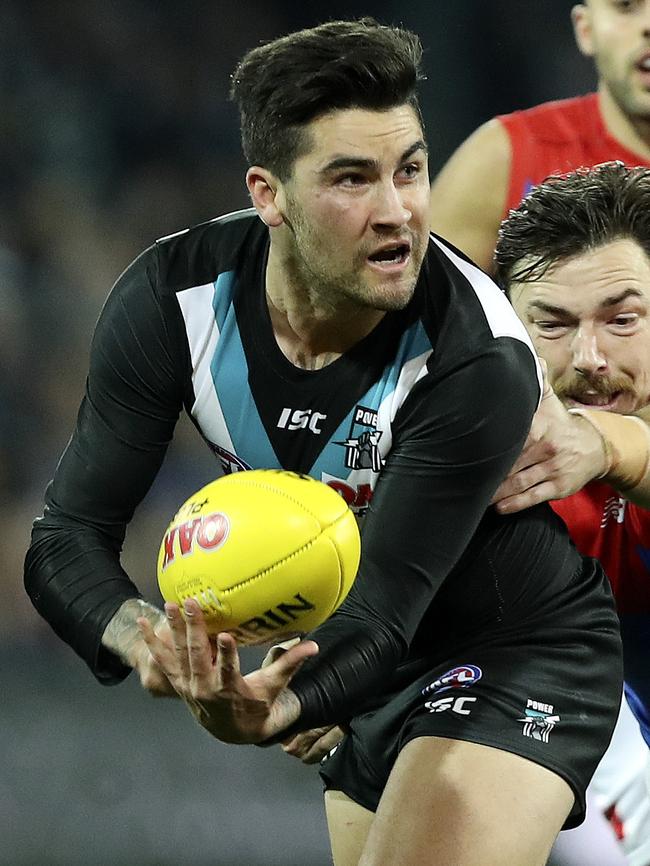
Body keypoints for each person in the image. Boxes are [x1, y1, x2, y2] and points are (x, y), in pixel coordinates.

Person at [25, 19, 623, 866]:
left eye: (411, 170)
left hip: (513, 648)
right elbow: (65, 540)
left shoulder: (475, 355)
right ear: (268, 194)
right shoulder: (173, 298)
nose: (398, 211)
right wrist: (147, 639)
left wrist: (276, 706)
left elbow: (384, 611)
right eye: (353, 178)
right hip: (352, 669)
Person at [493, 161, 650, 866]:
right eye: (552, 325)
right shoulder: (463, 450)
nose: (589, 358)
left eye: (622, 320)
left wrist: (609, 446)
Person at [430, 0, 650, 274]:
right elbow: (422, 311)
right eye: (626, 6)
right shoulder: (506, 157)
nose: (648, 25)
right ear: (586, 30)